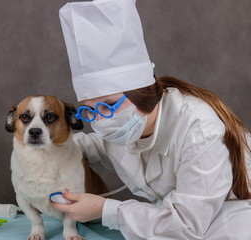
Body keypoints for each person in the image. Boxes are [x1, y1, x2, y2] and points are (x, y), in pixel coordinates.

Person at [52, 0, 251, 239]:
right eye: (89, 111)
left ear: (141, 93)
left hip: (232, 213)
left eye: (109, 105)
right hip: (177, 214)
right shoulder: (125, 124)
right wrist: (54, 147)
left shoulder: (199, 130)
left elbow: (186, 224)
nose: (101, 121)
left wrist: (105, 210)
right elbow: (98, 145)